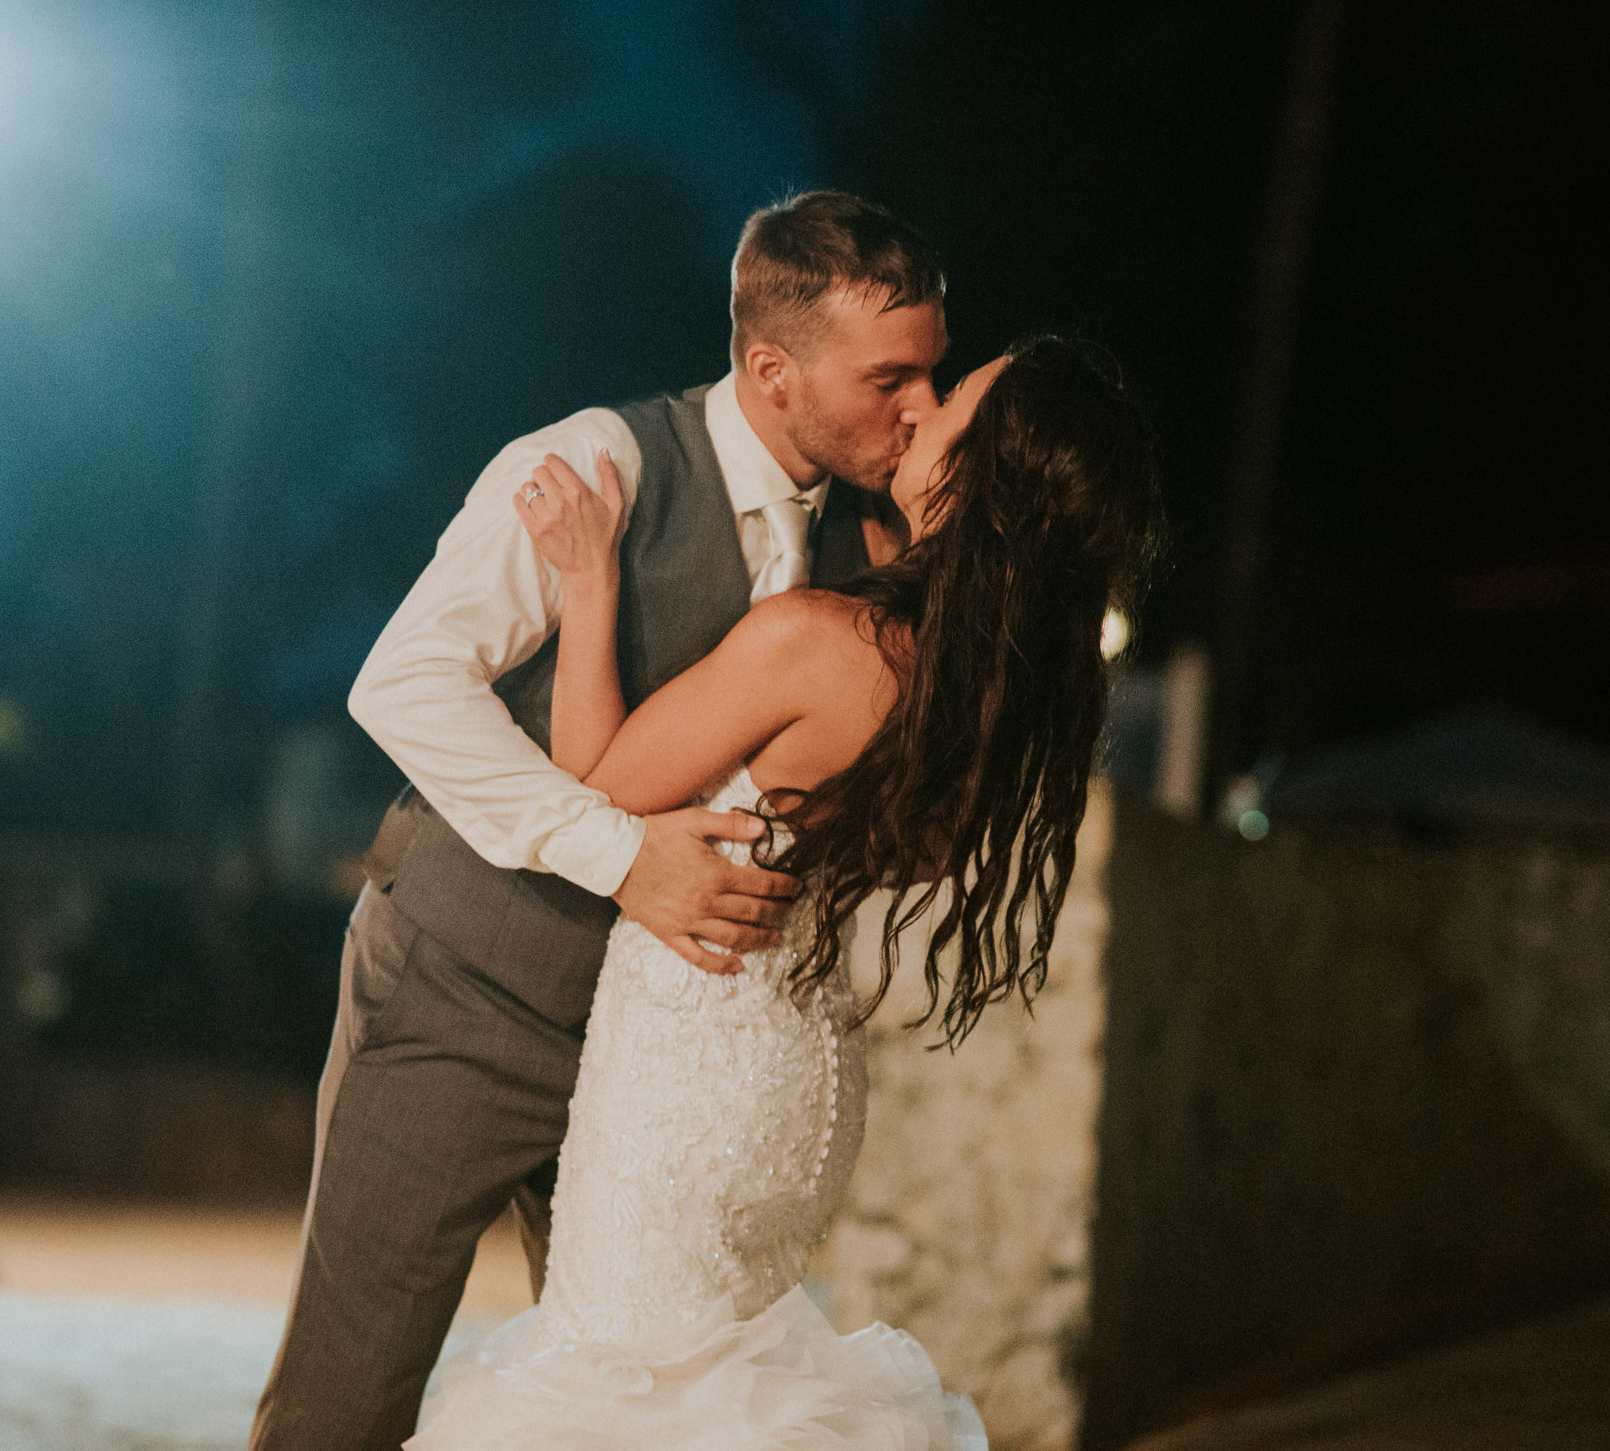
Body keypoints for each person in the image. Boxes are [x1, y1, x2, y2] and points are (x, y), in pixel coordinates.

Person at [252, 192, 949, 1451]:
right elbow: (401, 682)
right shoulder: (592, 466)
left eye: (932, 374)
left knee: (626, 1413)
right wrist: (623, 855)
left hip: (658, 1068)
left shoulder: (876, 535)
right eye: (889, 375)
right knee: (346, 1399)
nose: (917, 406)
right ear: (771, 369)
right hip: (464, 995)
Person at [409, 332, 1157, 1447]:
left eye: (954, 406)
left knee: (619, 1396)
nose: (921, 411)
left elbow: (595, 786)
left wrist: (588, 574)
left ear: (982, 467)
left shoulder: (818, 642)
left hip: (690, 1067)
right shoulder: (989, 705)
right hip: (799, 1085)